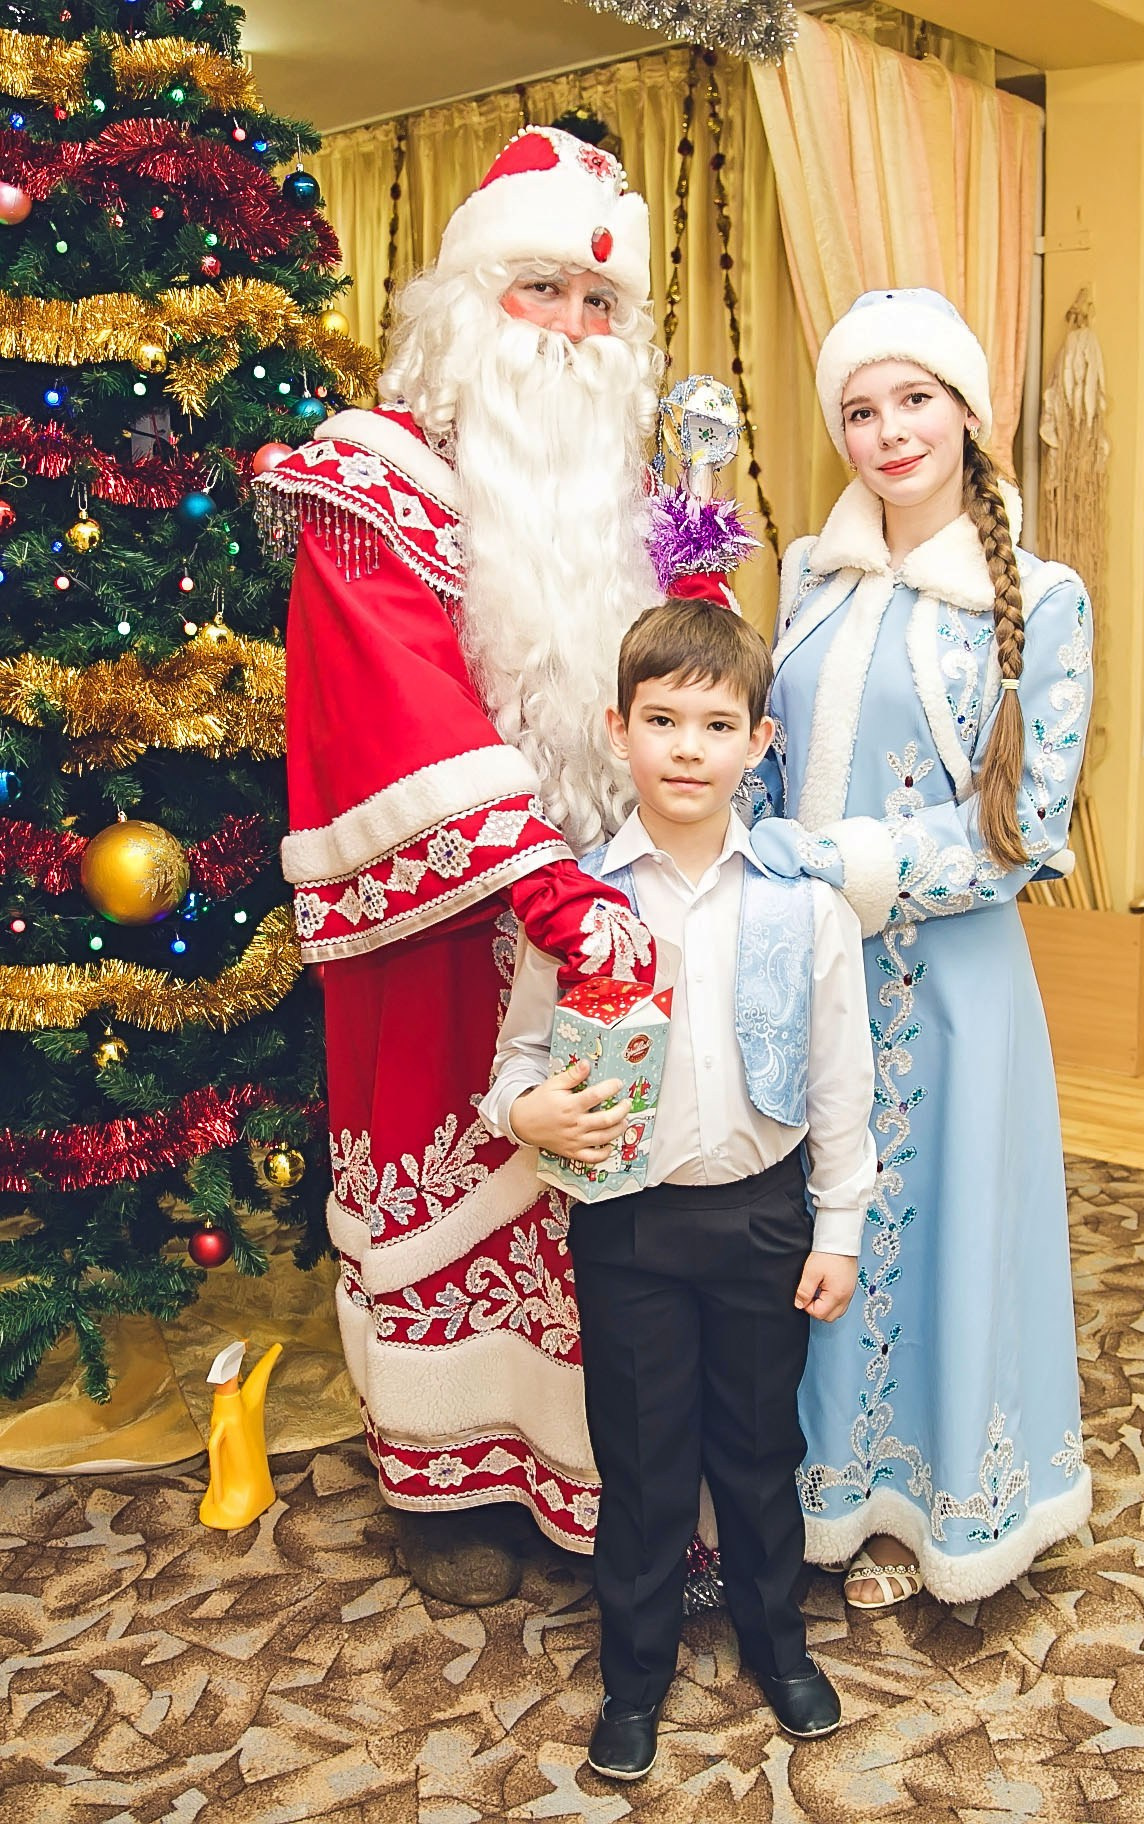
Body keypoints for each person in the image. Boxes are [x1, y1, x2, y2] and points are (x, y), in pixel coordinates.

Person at [260, 125, 666, 1607]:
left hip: (592, 923)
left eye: (599, 302)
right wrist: (541, 883)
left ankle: (591, 1478)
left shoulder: (618, 498)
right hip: (444, 927)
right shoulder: (367, 482)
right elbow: (397, 706)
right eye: (539, 287)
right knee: (452, 1194)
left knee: (599, 1204)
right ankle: (452, 1485)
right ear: (462, 302)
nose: (569, 328)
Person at [478, 601, 878, 1779]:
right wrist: (523, 1112)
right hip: (628, 1228)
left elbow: (840, 1076)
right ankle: (634, 1675)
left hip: (761, 1217)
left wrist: (837, 1226)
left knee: (757, 1452)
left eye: (715, 724)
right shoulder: (576, 907)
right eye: (661, 721)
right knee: (644, 1465)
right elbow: (517, 1056)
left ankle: (776, 1644)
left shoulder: (802, 904)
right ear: (618, 730)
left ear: (758, 742)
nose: (687, 749)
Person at [749, 287, 1094, 1610]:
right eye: (859, 409)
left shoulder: (1039, 600)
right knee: (811, 1229)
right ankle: (819, 1497)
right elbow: (765, 761)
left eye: (914, 400)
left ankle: (936, 1507)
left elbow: (1027, 833)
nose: (888, 431)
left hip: (951, 987)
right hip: (809, 970)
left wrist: (842, 866)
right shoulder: (807, 576)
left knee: (944, 1231)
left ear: (964, 414)